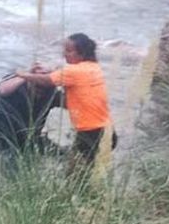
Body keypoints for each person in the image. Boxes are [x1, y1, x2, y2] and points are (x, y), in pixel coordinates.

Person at [15, 33, 114, 168]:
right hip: (107, 131)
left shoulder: (73, 71)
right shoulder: (93, 66)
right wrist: (50, 70)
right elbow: (66, 76)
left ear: (81, 53)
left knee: (74, 177)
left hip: (91, 134)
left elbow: (48, 81)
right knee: (90, 172)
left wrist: (23, 74)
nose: (64, 54)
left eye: (68, 51)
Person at [0, 72, 60, 164]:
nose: (40, 93)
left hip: (31, 139)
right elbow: (2, 90)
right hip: (5, 138)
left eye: (43, 89)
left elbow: (70, 103)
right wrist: (28, 75)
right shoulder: (15, 88)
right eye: (37, 87)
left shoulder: (50, 92)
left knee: (58, 154)